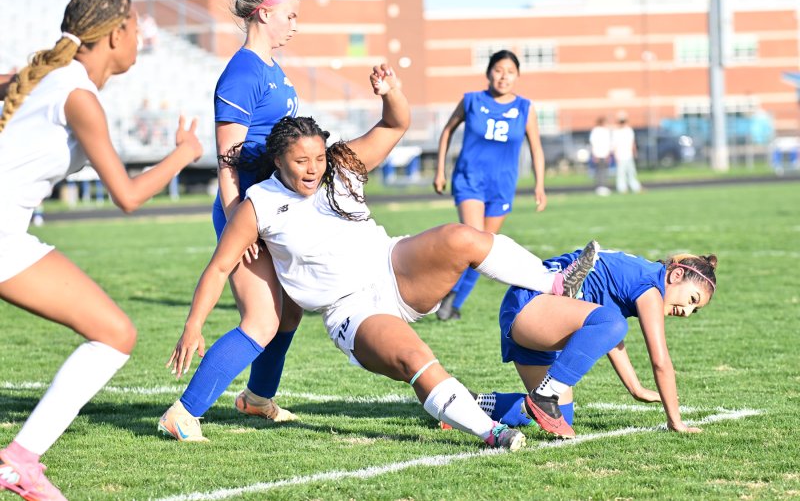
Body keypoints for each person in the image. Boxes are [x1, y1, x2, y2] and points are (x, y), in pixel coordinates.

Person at [165, 64, 599, 452]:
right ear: (278, 160)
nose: (314, 168)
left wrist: (390, 91)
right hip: (350, 310)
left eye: (318, 157)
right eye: (301, 161)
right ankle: (491, 432)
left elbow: (396, 124)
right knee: (416, 358)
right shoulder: (258, 203)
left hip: (393, 267)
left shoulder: (341, 164)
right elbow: (219, 266)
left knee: (461, 236)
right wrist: (193, 325)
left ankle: (554, 283)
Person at [0, 0, 203, 499]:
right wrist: (185, 154)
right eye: (136, 29)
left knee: (114, 332)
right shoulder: (77, 96)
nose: (140, 39)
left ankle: (21, 462)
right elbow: (129, 197)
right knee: (115, 333)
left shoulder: (51, 80)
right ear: (115, 35)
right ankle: (20, 462)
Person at [158, 0, 305, 442]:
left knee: (290, 313)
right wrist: (238, 221)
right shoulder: (243, 72)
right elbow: (228, 160)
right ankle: (183, 412)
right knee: (261, 320)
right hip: (245, 213)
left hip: (271, 210)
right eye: (290, 15)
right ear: (264, 14)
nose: (295, 24)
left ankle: (257, 399)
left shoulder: (272, 69)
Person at [491, 247, 717, 438]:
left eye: (694, 310)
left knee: (561, 415)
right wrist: (676, 421)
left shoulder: (644, 276)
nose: (687, 312)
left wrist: (635, 388)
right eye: (692, 299)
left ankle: (466, 404)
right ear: (676, 275)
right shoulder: (650, 288)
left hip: (539, 312)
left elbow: (608, 334)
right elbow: (660, 361)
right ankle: (545, 395)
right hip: (531, 304)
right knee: (614, 323)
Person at [433, 50, 548, 321]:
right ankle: (443, 296)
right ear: (488, 73)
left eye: (510, 71)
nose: (504, 76)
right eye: (498, 69)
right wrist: (440, 171)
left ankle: (453, 303)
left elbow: (536, 148)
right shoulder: (471, 100)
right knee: (473, 238)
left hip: (502, 186)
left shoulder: (525, 108)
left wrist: (540, 185)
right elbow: (447, 130)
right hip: (469, 180)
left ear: (518, 76)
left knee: (484, 249)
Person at [612, 112, 642, 194]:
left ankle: (635, 187)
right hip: (622, 155)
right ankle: (623, 189)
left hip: (627, 155)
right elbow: (615, 146)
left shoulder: (627, 130)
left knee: (630, 172)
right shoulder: (618, 131)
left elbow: (632, 144)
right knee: (622, 173)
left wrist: (634, 153)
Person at [589, 115, 612, 196]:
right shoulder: (596, 131)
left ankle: (604, 186)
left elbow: (608, 143)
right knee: (599, 171)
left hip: (604, 153)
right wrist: (594, 154)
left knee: (604, 171)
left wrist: (608, 154)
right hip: (599, 153)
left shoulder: (605, 131)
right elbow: (593, 143)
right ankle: (600, 187)